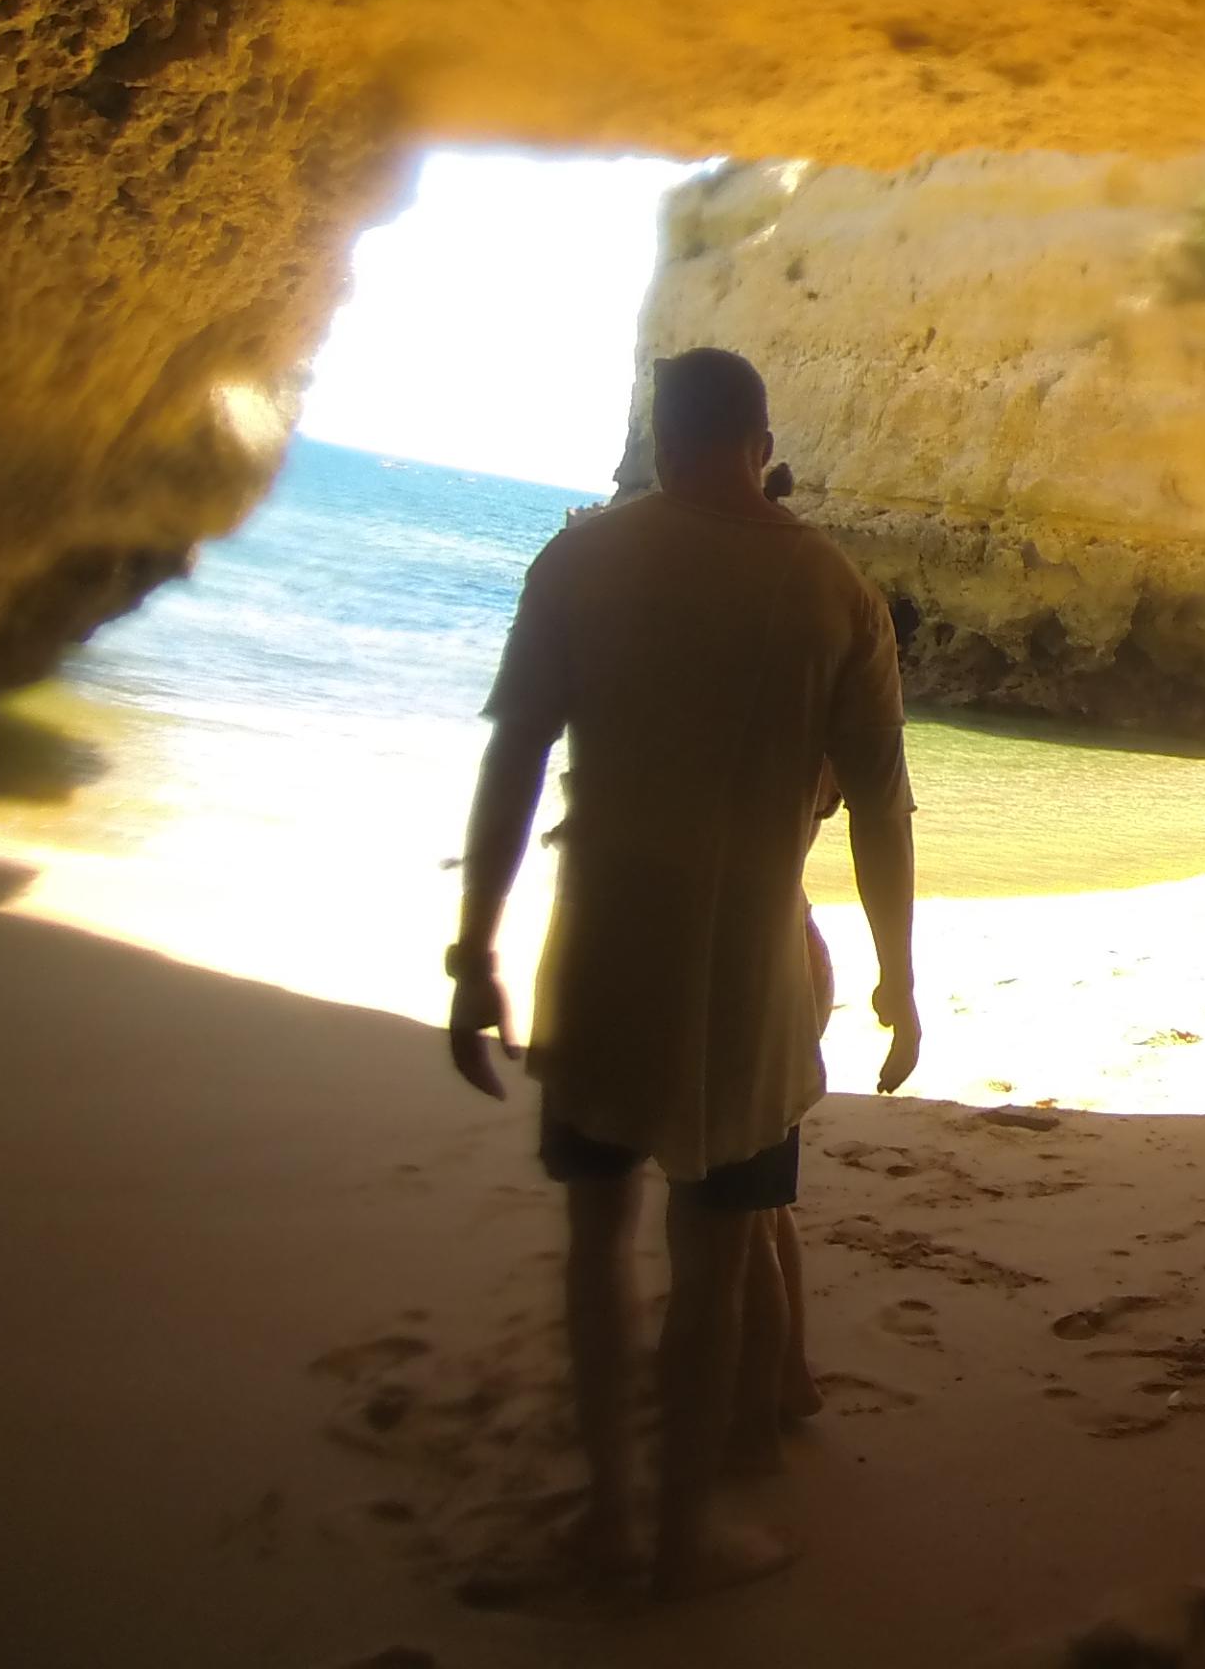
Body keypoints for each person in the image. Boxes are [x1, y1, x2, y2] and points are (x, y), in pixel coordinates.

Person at [447, 348, 921, 1598]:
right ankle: (678, 1537)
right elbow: (882, 810)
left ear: (662, 440)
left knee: (596, 1240)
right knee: (712, 1259)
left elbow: (513, 759)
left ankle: (609, 1514)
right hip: (751, 983)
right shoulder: (839, 595)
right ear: (761, 445)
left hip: (600, 954)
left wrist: (474, 947)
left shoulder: (581, 559)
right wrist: (898, 976)